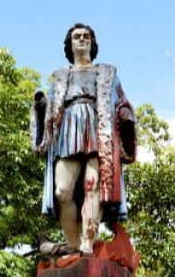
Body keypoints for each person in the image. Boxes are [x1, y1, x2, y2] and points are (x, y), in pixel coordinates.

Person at [31, 23, 136, 256]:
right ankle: (73, 244)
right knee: (62, 191)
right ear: (70, 44)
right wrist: (40, 107)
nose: (82, 39)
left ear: (92, 42)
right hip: (67, 129)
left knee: (92, 185)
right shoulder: (60, 77)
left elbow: (122, 102)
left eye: (86, 36)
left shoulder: (107, 74)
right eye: (77, 36)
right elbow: (48, 113)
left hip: (98, 129)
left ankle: (88, 243)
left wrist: (126, 115)